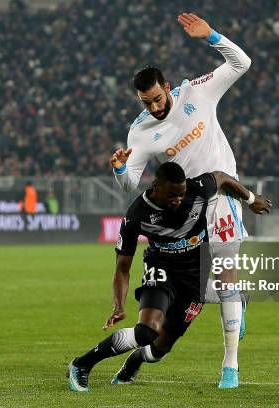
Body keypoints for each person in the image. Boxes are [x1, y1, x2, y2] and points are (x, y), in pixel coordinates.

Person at [110, 12, 257, 388]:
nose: (155, 107)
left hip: (222, 194)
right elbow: (130, 187)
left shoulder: (198, 91)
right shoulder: (140, 132)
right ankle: (235, 301)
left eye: (158, 98)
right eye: (147, 102)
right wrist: (120, 170)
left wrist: (212, 36)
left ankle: (230, 368)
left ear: (168, 87)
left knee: (225, 275)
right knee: (193, 293)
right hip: (184, 210)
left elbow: (242, 62)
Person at [67, 162, 271, 392]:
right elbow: (122, 267)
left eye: (181, 194)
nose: (177, 200)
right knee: (146, 331)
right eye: (172, 195)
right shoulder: (137, 216)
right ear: (156, 186)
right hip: (161, 267)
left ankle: (135, 360)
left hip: (195, 274)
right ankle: (81, 364)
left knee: (159, 349)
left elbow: (222, 177)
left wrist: (251, 199)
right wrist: (119, 306)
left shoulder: (197, 189)